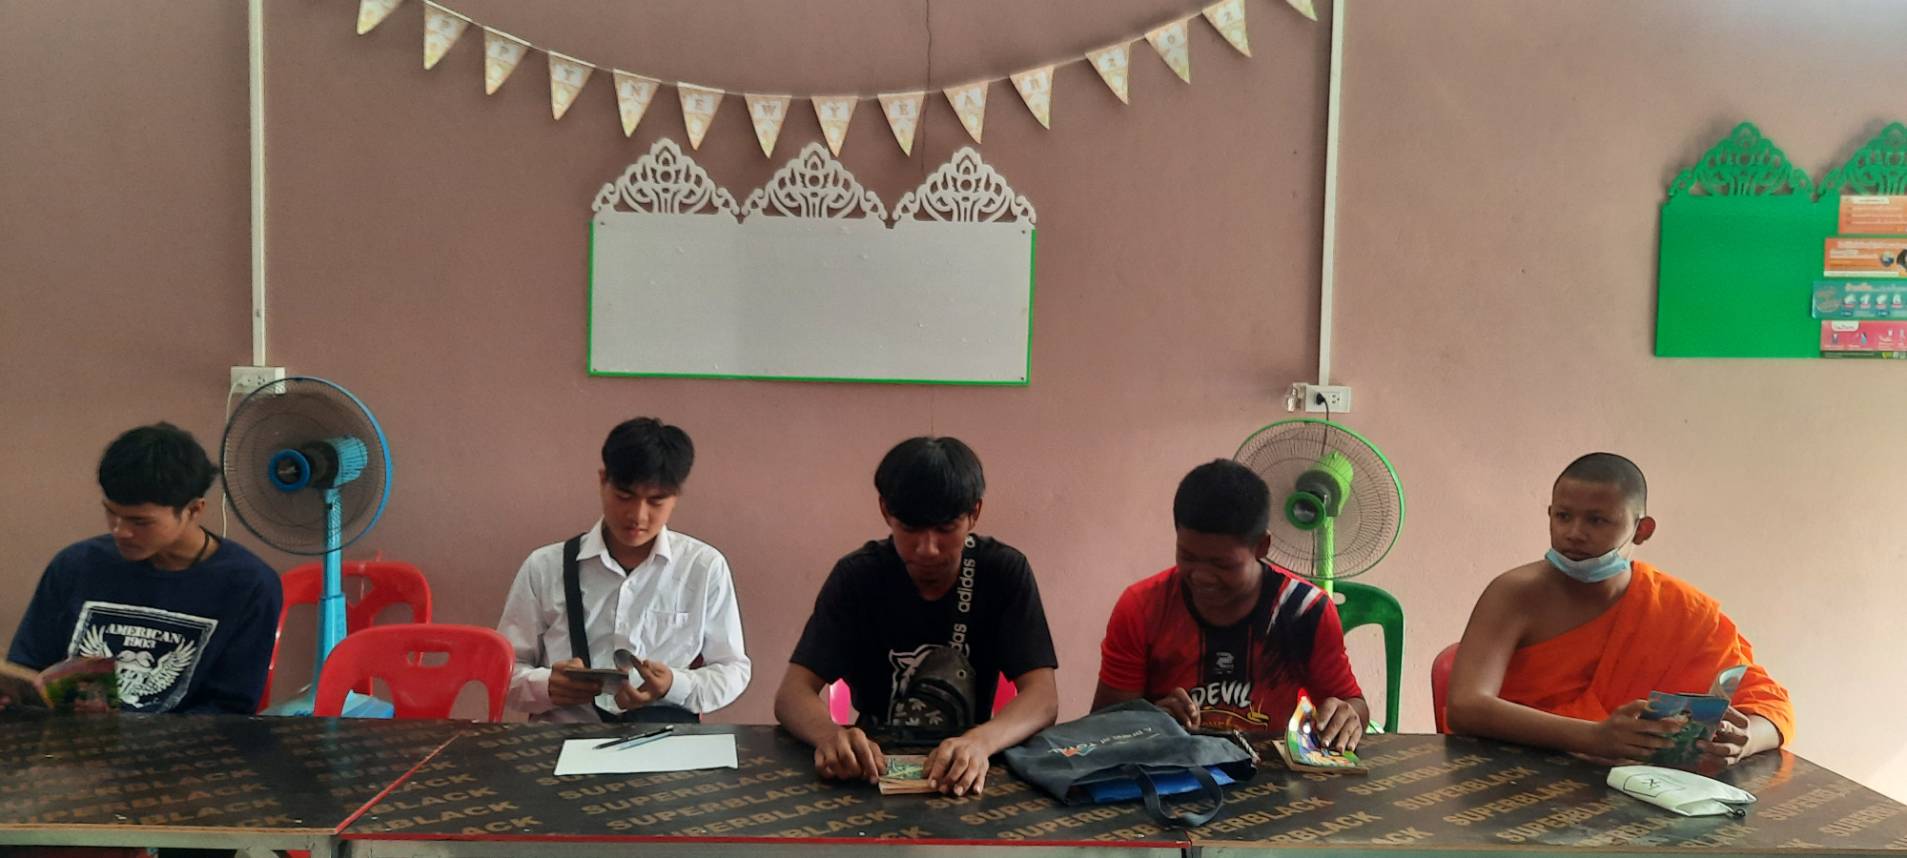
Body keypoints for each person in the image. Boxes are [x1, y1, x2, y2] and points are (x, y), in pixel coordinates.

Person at [1445, 453, 1794, 771]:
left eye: (1597, 520)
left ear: (1642, 530)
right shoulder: (1516, 594)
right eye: (1563, 516)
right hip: (1516, 774)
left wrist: (1745, 740)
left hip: (1634, 788)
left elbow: (1769, 704)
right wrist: (1593, 737)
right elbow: (1466, 706)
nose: (1574, 533)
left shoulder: (1678, 609)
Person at [774, 436, 1058, 797]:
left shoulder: (1003, 572)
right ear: (885, 511)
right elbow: (792, 694)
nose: (928, 549)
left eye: (946, 529)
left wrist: (981, 742)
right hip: (871, 767)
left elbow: (1042, 697)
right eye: (909, 528)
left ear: (974, 513)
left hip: (969, 766)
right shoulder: (857, 577)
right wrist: (831, 736)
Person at [6, 423, 282, 713]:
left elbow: (230, 710)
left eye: (140, 522)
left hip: (182, 741)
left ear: (193, 510)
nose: (120, 531)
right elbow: (27, 667)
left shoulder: (248, 585)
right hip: (63, 737)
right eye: (111, 513)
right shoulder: (75, 565)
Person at [1093, 460, 1368, 749]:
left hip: (1270, 770)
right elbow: (1101, 729)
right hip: (1169, 766)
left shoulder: (1305, 611)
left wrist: (1347, 716)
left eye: (1222, 564)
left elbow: (1352, 704)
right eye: (1187, 557)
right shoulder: (1142, 608)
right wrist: (1151, 722)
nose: (1201, 576)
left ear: (1262, 546)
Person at [498, 418, 749, 723]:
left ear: (676, 497)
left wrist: (674, 685)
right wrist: (545, 686)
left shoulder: (703, 567)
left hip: (666, 738)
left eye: (656, 501)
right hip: (563, 736)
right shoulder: (544, 567)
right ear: (603, 481)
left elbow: (733, 669)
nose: (637, 515)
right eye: (624, 496)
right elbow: (501, 671)